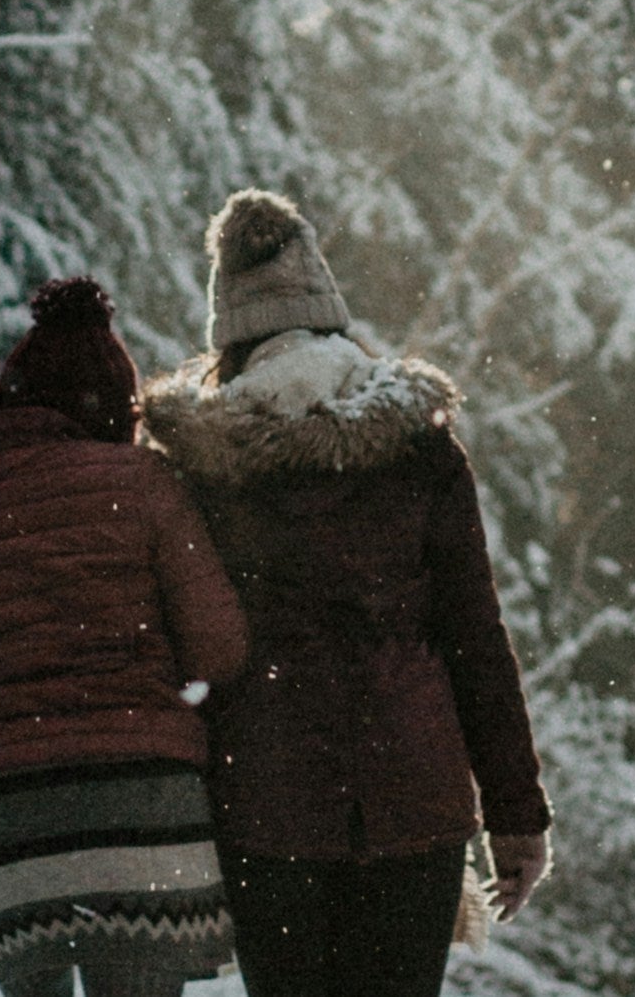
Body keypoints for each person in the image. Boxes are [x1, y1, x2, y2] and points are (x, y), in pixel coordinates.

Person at [143, 192, 552, 997]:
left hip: (270, 803)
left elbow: (181, 640)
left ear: (230, 331)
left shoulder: (203, 466)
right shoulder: (421, 449)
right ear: (330, 317)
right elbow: (475, 638)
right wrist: (517, 815)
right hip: (414, 798)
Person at [0, 274, 253, 997]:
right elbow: (221, 648)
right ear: (113, 408)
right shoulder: (145, 484)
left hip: (1, 831)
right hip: (139, 814)